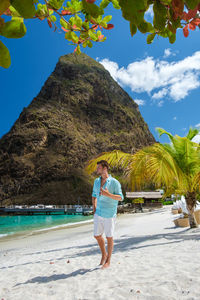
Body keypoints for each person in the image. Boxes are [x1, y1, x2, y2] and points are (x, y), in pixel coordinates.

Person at [92, 160, 124, 269]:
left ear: (105, 168)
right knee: (96, 235)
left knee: (109, 237)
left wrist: (108, 194)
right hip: (99, 212)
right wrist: (94, 208)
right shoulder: (96, 181)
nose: (97, 170)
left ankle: (108, 261)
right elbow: (94, 195)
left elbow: (120, 198)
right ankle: (104, 254)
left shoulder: (114, 182)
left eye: (99, 168)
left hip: (110, 214)